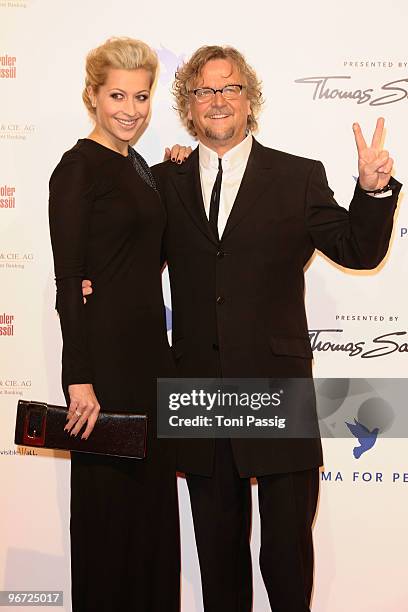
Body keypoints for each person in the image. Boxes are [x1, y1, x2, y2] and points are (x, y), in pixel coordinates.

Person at [150, 46, 402, 612]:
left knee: (287, 557)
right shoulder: (163, 182)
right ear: (189, 108)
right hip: (198, 389)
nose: (218, 100)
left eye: (230, 88)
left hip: (275, 385)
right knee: (218, 558)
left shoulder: (296, 176)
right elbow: (133, 261)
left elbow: (359, 250)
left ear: (249, 100)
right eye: (204, 91)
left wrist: (373, 191)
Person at [49, 37, 189, 612]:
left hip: (151, 357)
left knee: (151, 512)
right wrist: (78, 378)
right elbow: (68, 279)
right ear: (92, 96)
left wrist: (174, 165)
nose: (131, 109)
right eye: (117, 96)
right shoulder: (76, 168)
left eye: (141, 96)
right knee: (109, 512)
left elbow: (135, 239)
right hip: (104, 363)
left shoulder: (136, 166)